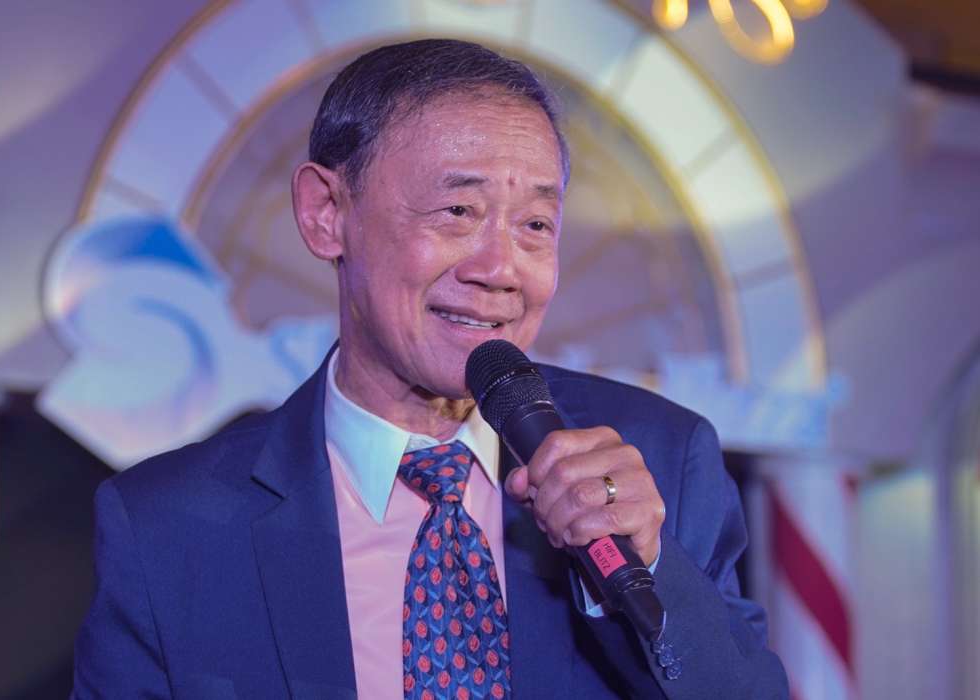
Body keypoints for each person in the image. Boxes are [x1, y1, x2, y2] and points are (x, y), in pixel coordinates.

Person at [72, 39, 787, 699]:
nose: (500, 269)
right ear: (326, 213)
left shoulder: (660, 461)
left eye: (535, 225)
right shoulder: (168, 528)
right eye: (458, 210)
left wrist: (647, 566)